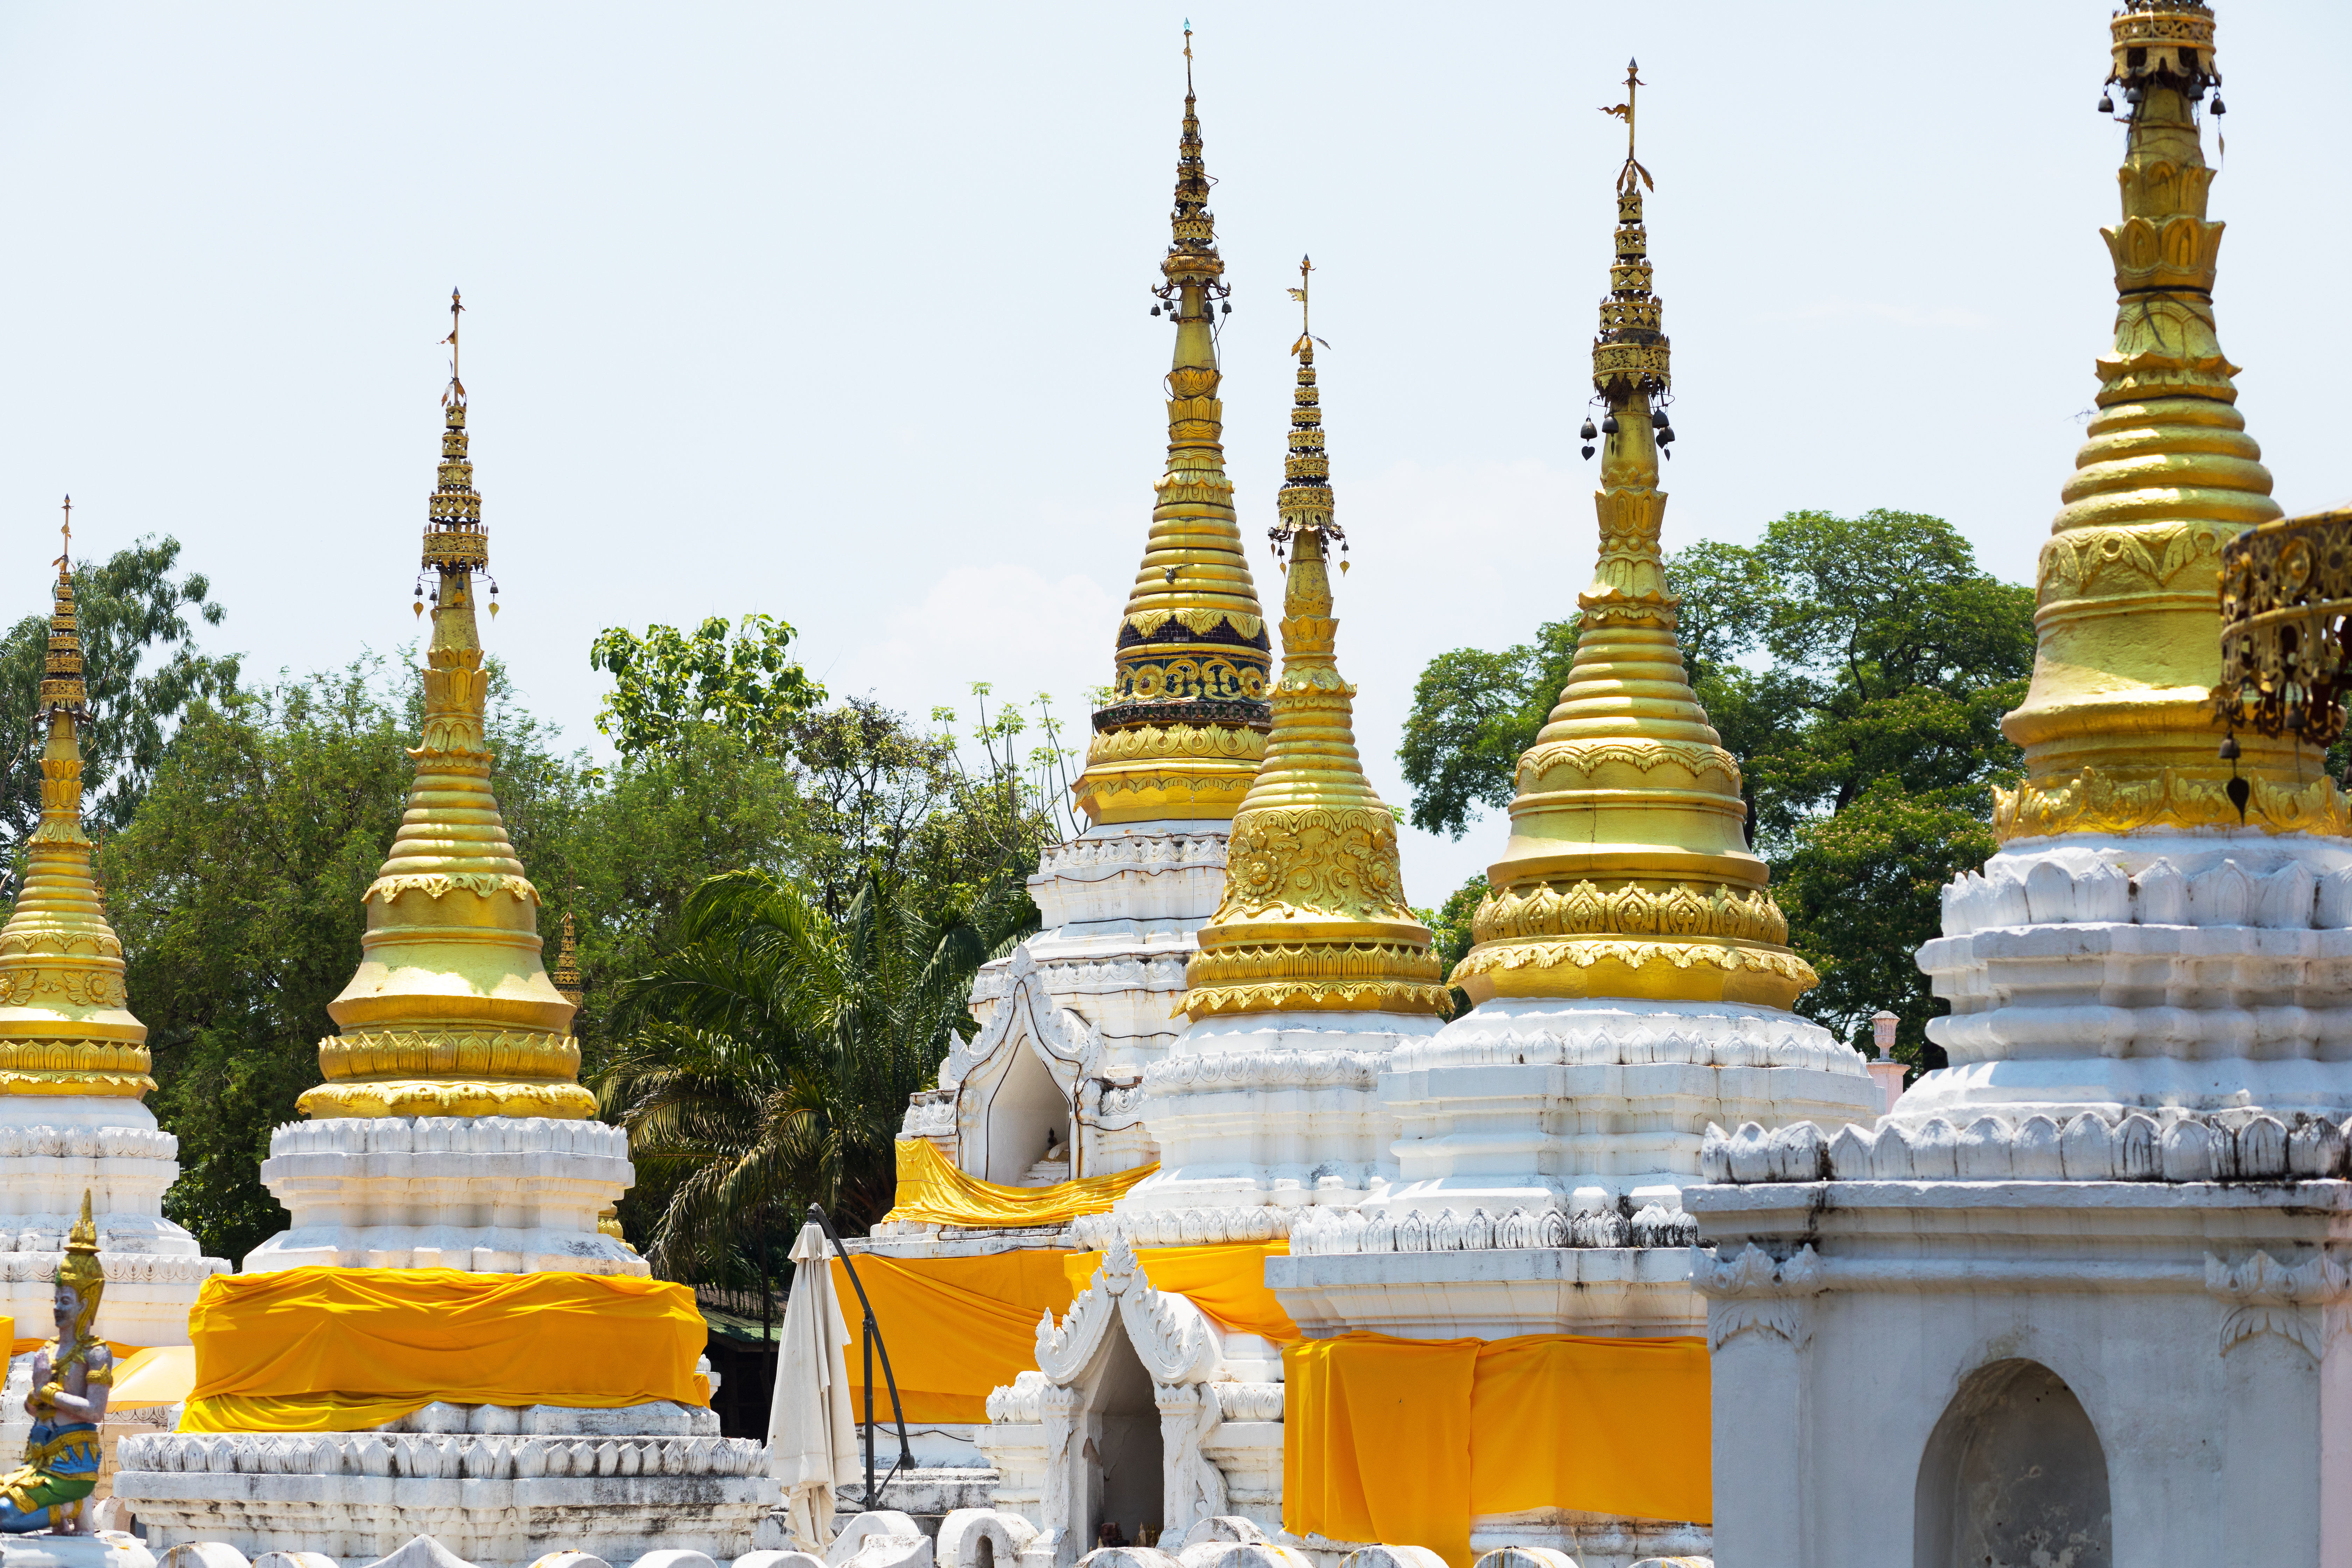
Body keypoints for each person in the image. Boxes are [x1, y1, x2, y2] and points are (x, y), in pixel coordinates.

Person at [0, 1192, 110, 1534]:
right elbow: (36, 1409)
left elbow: (94, 1412)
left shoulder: (96, 1353)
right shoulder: (47, 1351)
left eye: (65, 1300)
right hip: (40, 1461)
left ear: (85, 1303)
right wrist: (36, 1393)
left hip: (73, 1466)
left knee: (3, 1515)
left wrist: (48, 1390)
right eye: (56, 1300)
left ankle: (72, 1507)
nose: (57, 1308)